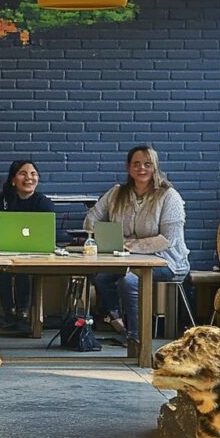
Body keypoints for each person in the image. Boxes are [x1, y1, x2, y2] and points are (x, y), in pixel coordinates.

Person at [85, 145, 190, 343]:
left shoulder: (169, 196)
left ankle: (137, 338)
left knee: (129, 280)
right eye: (136, 164)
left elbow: (168, 240)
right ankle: (117, 322)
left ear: (155, 167)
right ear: (128, 168)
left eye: (147, 164)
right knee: (101, 277)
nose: (142, 168)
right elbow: (91, 219)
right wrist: (107, 236)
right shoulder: (117, 193)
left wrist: (130, 245)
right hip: (125, 260)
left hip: (166, 262)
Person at [0, 160, 55, 328]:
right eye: (23, 173)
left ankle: (24, 312)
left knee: (25, 269)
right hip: (4, 252)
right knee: (2, 268)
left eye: (33, 174)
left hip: (35, 254)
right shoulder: (2, 202)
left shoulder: (43, 202)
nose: (29, 178)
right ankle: (8, 311)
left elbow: (49, 235)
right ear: (13, 180)